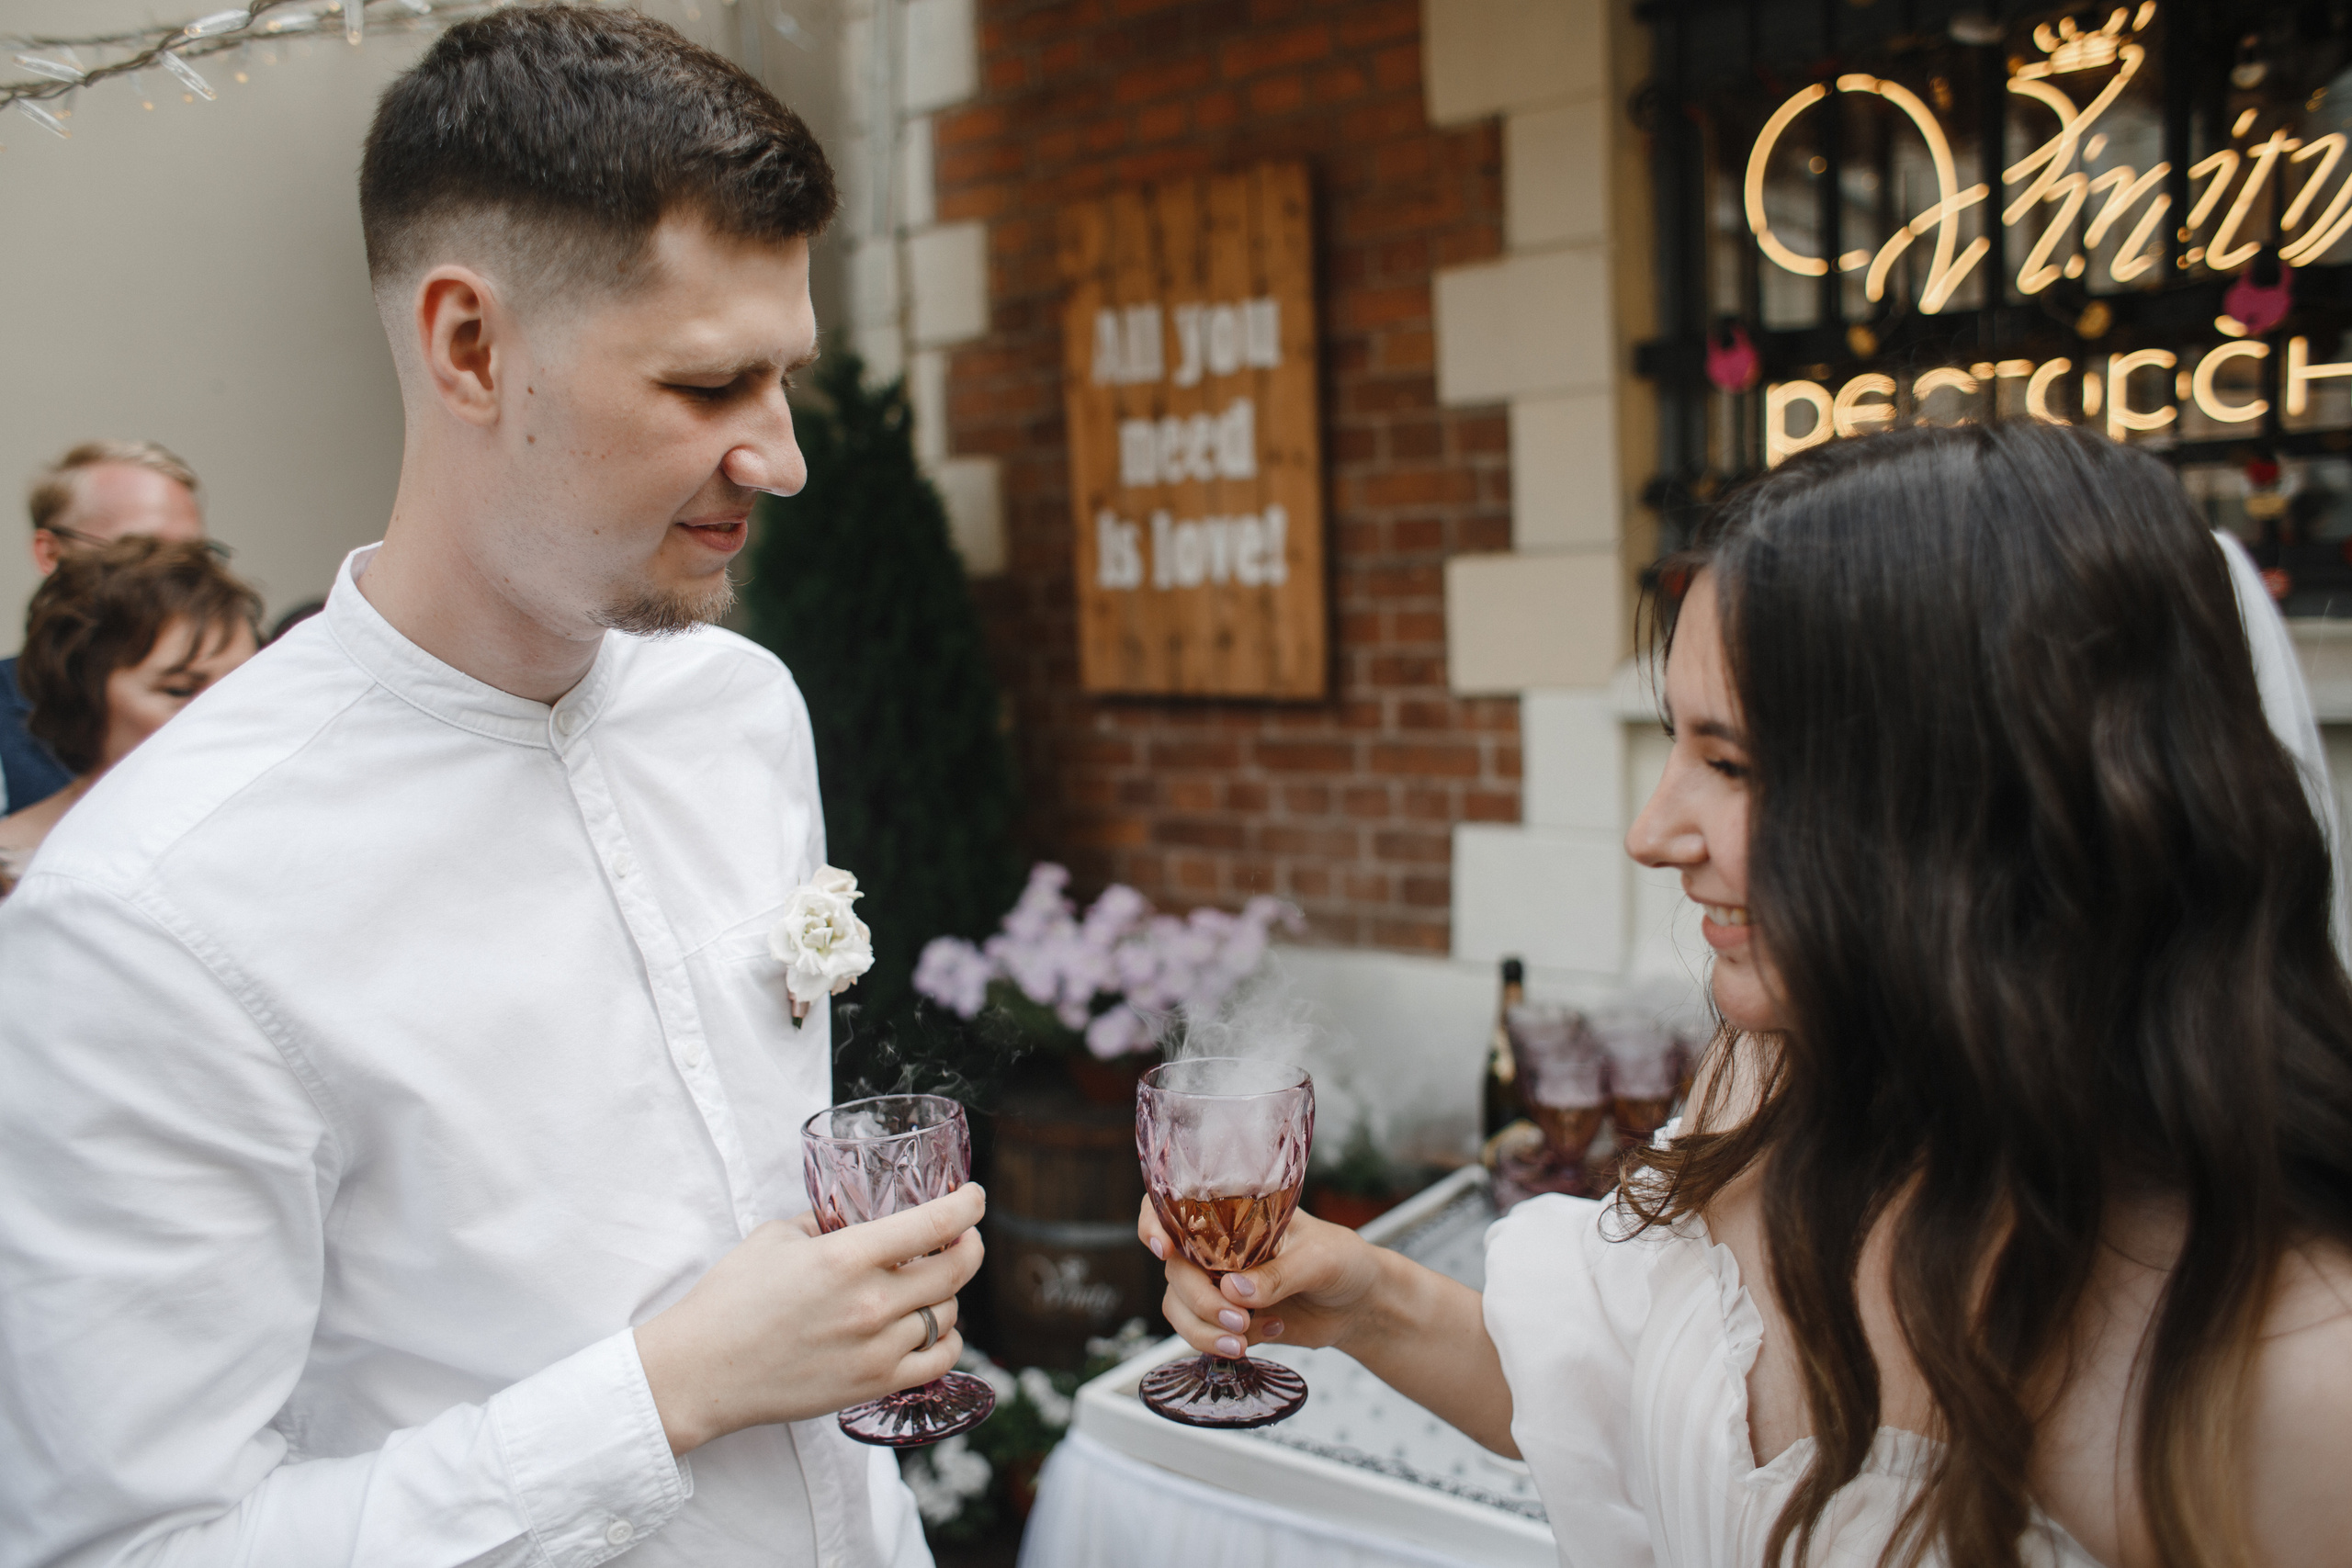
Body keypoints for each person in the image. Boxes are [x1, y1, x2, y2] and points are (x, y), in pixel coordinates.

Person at [0, 11, 978, 1567]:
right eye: (712, 385)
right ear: (469, 346)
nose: (782, 456)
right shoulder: (150, 911)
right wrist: (667, 1393)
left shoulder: (744, 709)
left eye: (782, 376)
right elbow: (131, 1548)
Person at [1140, 423, 2352, 1568]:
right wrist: (1370, 1297)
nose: (1651, 829)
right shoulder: (1767, 1078)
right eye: (1674, 741)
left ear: (1973, 807)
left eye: (1730, 762)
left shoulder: (2291, 1370)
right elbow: (1611, 1404)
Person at [0, 537, 259, 896]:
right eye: (181, 690)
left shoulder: (279, 834)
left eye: (245, 682)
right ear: (80, 700)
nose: (232, 712)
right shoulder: (16, 872)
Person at [1, 440, 208, 815]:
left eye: (193, 555)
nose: (179, 577)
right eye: (143, 549)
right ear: (50, 553)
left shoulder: (233, 694)